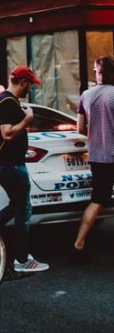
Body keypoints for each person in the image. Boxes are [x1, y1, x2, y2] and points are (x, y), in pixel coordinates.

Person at [0, 66, 49, 273]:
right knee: (23, 209)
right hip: (10, 164)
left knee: (17, 205)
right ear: (23, 83)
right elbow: (7, 134)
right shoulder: (8, 103)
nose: (30, 89)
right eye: (30, 85)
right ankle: (22, 259)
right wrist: (26, 120)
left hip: (5, 163)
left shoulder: (0, 98)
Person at [71, 56, 114, 262]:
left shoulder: (86, 95)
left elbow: (80, 128)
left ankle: (78, 244)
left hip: (98, 156)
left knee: (97, 200)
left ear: (98, 72)